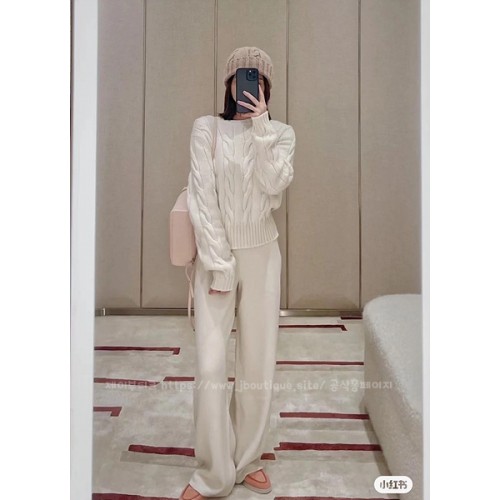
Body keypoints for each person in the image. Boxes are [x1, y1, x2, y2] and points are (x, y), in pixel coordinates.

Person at [179, 46, 296, 500]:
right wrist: (219, 261)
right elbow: (201, 197)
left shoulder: (280, 133)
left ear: (267, 88)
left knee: (256, 363)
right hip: (217, 256)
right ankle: (213, 472)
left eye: (259, 79)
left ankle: (247, 460)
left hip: (263, 255)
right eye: (244, 77)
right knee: (211, 365)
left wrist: (261, 126)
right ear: (229, 84)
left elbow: (274, 184)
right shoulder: (206, 129)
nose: (251, 85)